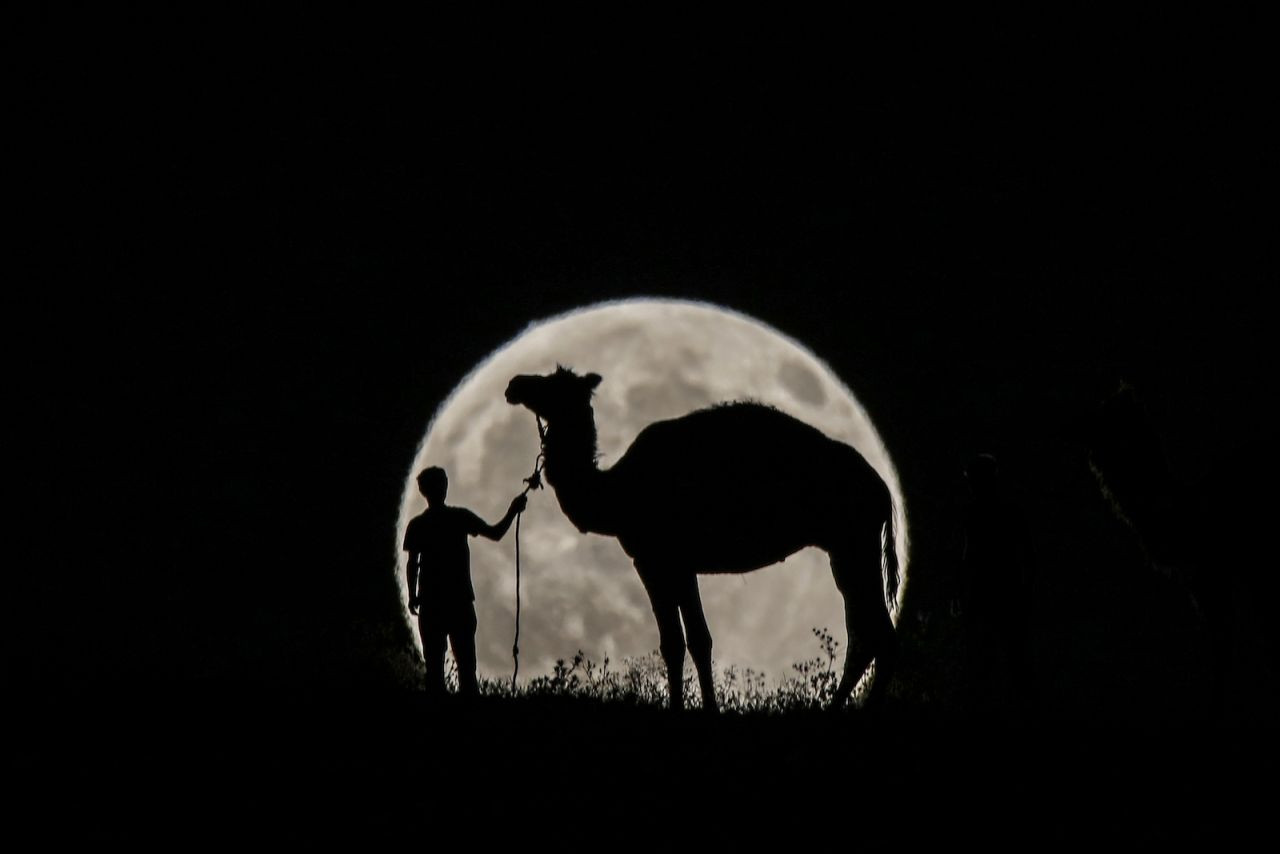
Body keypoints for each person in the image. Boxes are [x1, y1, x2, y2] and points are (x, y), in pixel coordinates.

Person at [404, 466, 527, 697]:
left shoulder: (417, 525)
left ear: (423, 491)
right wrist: (512, 511)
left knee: (434, 673)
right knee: (467, 671)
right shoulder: (459, 517)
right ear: (444, 487)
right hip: (458, 602)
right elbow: (496, 533)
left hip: (431, 604)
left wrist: (412, 595)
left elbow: (413, 563)